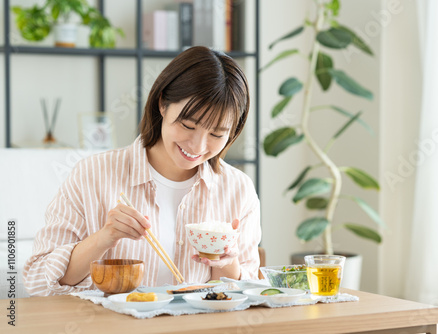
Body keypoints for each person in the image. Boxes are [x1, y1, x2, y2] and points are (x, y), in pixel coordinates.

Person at [23, 46, 261, 296]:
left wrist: (226, 261)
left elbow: (243, 295)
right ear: (162, 104)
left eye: (216, 134)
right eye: (188, 125)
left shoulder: (237, 190)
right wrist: (105, 237)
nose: (198, 146)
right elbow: (39, 281)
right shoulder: (93, 175)